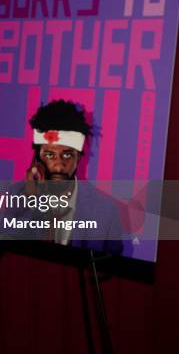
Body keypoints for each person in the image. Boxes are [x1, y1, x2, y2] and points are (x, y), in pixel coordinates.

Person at [23, 100, 125, 255]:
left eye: (67, 155)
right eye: (50, 155)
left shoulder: (106, 212)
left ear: (79, 158)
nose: (58, 166)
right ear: (36, 158)